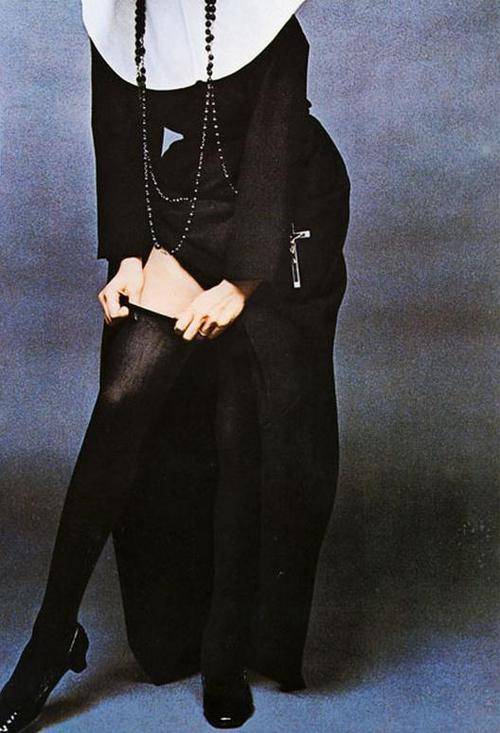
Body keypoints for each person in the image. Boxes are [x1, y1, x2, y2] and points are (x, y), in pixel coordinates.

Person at [0, 0, 350, 730]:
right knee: (125, 395)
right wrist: (130, 255)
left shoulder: (271, 26)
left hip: (287, 214)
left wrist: (242, 285)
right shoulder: (118, 16)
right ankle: (51, 638)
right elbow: (117, 134)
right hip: (189, 203)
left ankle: (225, 658)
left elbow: (276, 148)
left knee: (241, 417)